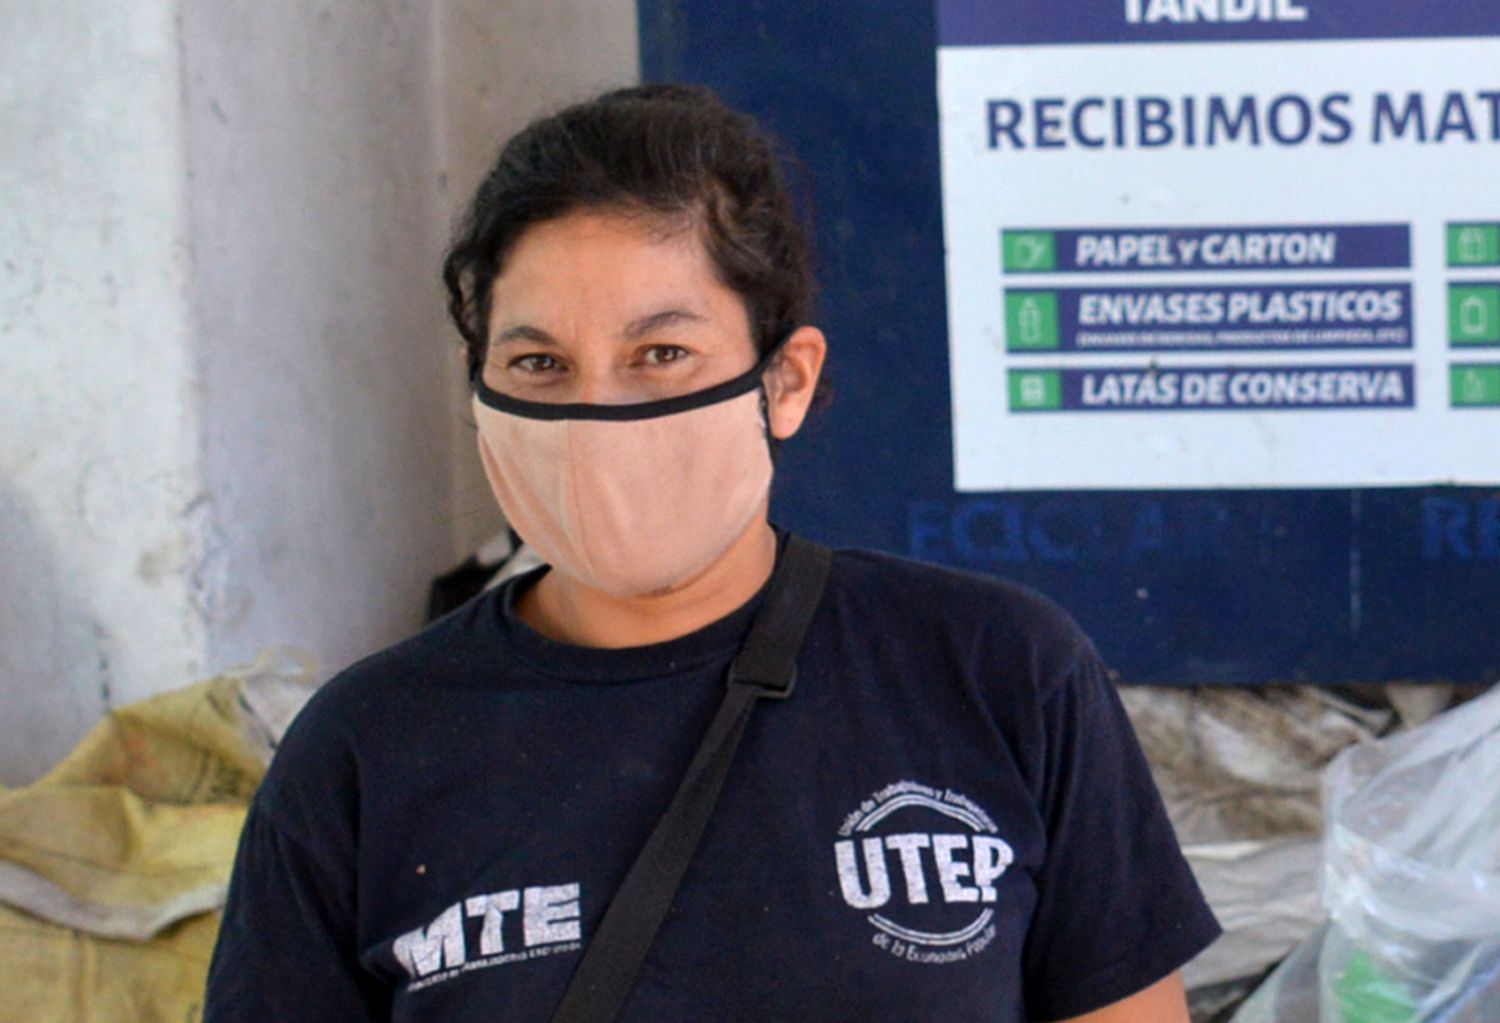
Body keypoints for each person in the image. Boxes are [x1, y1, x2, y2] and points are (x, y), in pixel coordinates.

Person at [204, 84, 1220, 1022]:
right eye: (539, 364)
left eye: (661, 356)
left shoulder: (998, 675)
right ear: (480, 392)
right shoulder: (362, 755)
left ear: (784, 381)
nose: (595, 413)